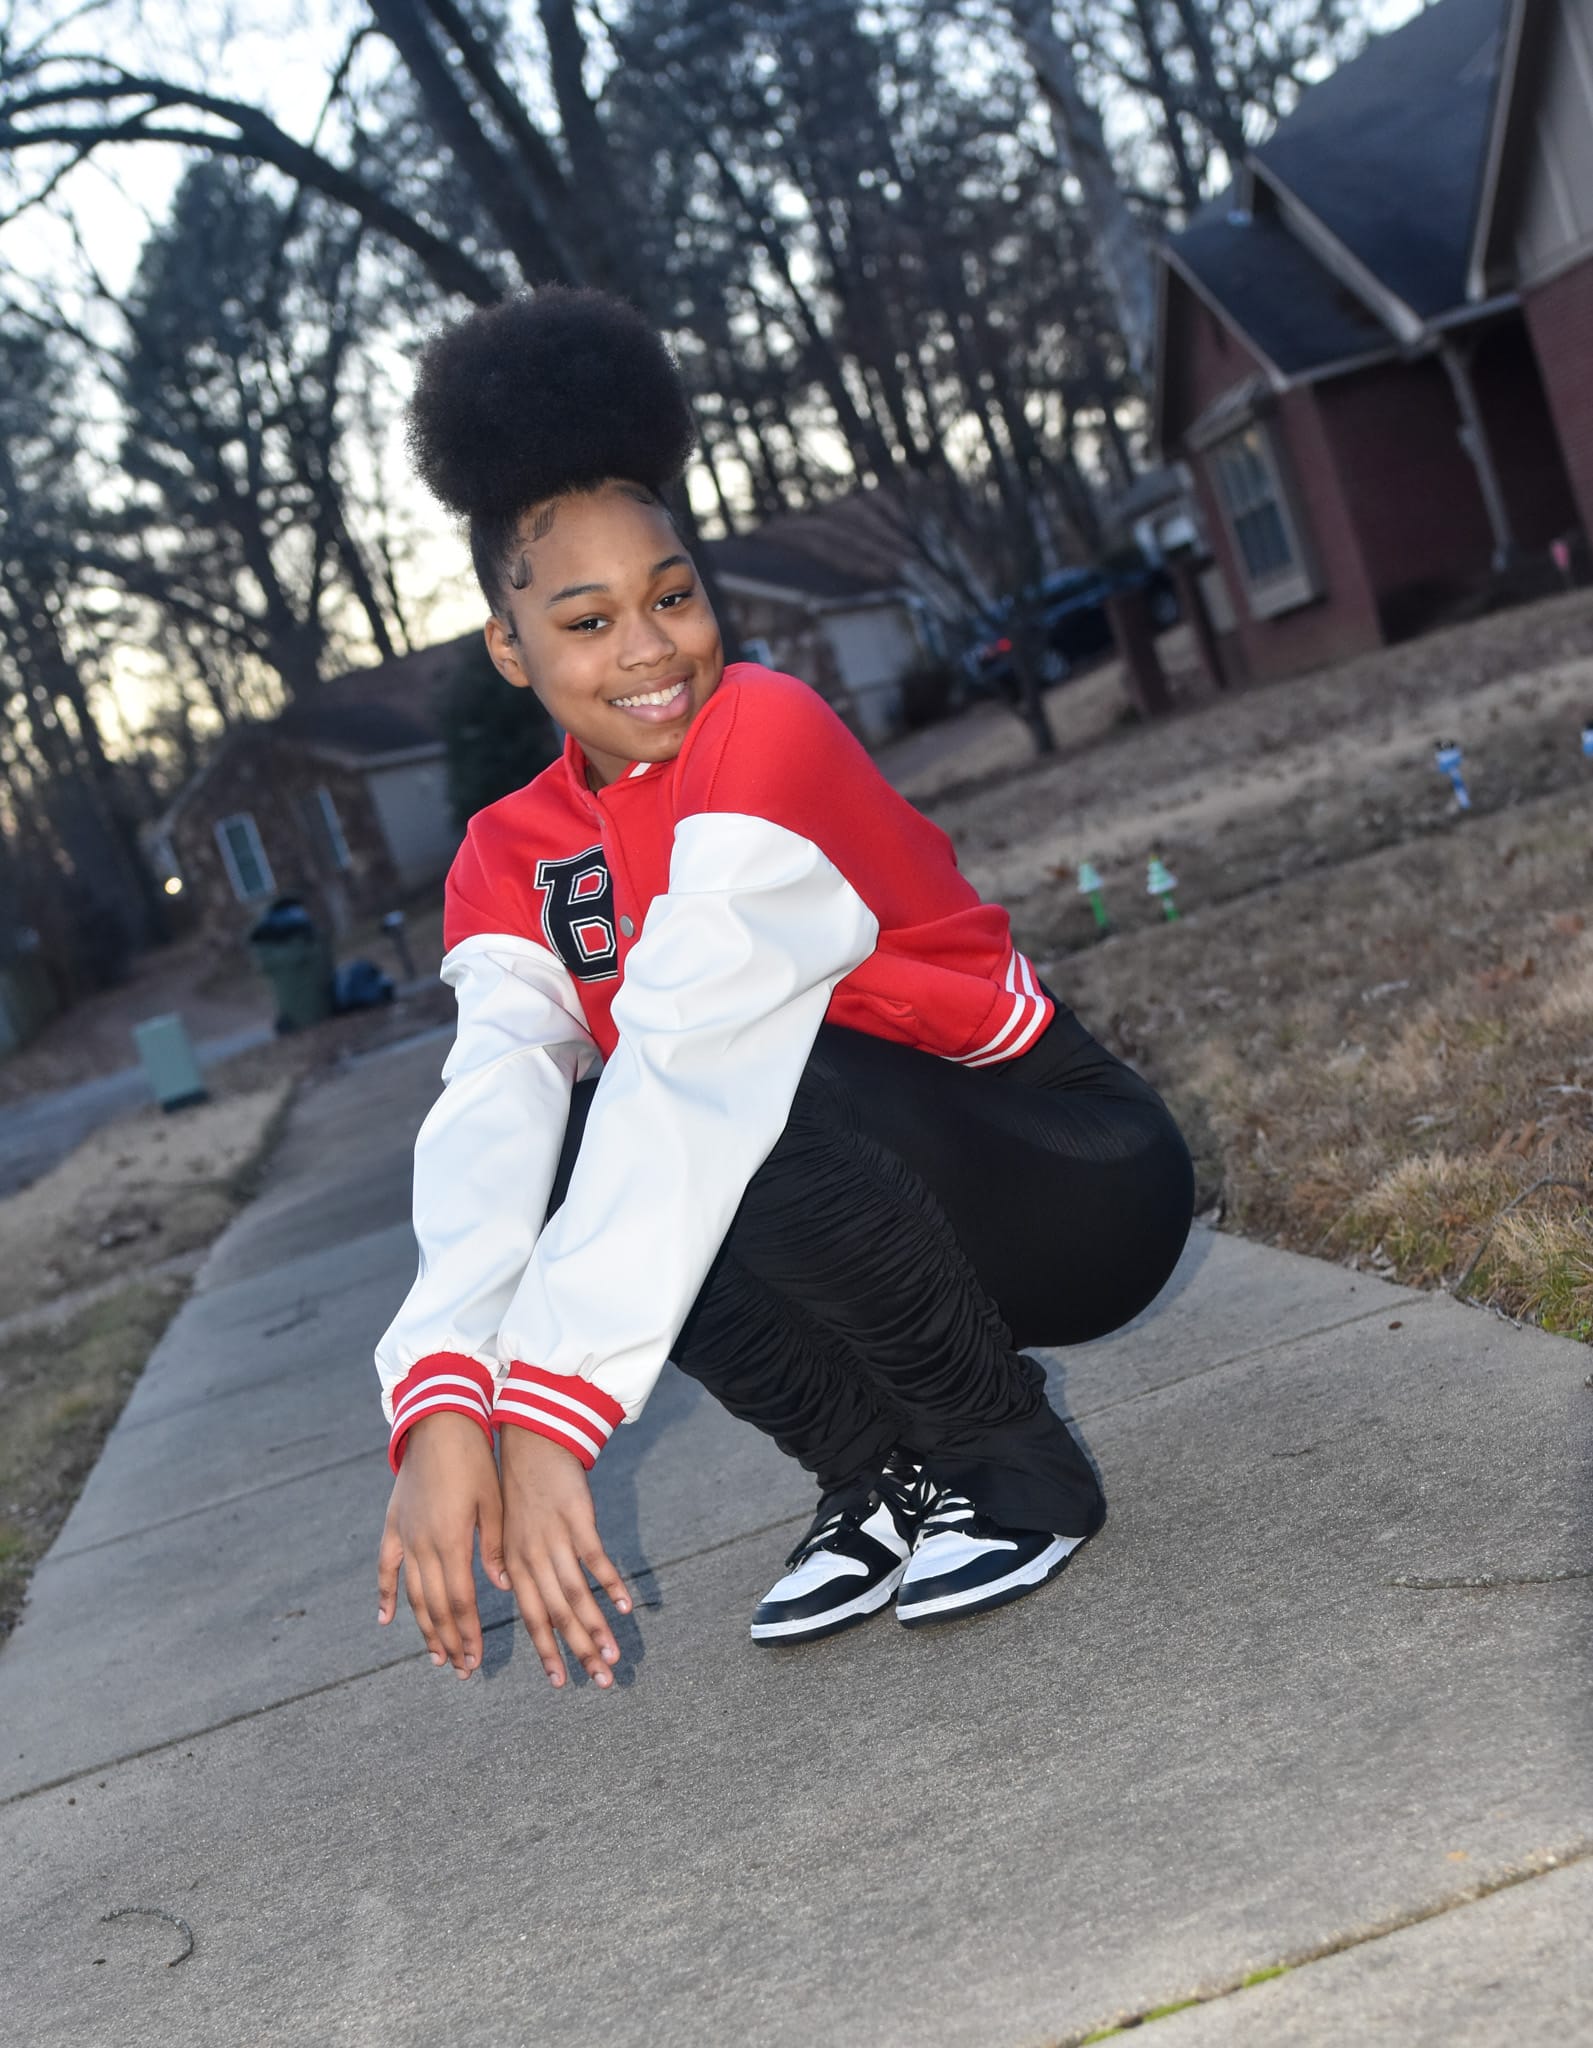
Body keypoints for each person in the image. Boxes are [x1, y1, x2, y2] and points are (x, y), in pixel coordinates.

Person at [373, 288, 1195, 1691]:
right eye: (586, 621)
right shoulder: (506, 853)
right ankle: (878, 1477)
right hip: (857, 1192)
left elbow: (699, 1048)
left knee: (717, 1080)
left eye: (671, 596)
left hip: (1065, 1167)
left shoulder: (766, 727)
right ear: (512, 650)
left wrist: (554, 1415)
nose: (649, 649)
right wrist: (446, 1393)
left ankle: (1008, 1457)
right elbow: (493, 1112)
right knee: (579, 1132)